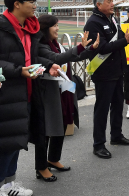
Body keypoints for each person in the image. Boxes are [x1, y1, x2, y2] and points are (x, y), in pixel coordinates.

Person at [0, 0, 60, 196]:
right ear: (17, 4)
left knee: (17, 141)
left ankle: (9, 185)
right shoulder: (2, 27)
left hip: (27, 92)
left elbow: (35, 56)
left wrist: (48, 65)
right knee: (6, 143)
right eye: (32, 2)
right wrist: (18, 71)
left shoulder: (30, 28)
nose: (36, 6)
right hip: (7, 94)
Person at [84, 0, 129, 159]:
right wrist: (125, 40)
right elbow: (102, 48)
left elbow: (120, 41)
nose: (113, 4)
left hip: (118, 70)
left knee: (118, 104)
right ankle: (98, 144)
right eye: (109, 1)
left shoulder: (112, 18)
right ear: (99, 4)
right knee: (102, 109)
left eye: (113, 0)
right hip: (104, 72)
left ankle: (116, 136)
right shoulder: (93, 23)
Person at [35, 15, 99, 182]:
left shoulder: (56, 44)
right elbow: (56, 59)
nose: (57, 29)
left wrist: (90, 49)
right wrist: (80, 46)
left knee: (63, 122)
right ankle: (41, 167)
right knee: (46, 130)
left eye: (57, 25)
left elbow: (72, 57)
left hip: (62, 89)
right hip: (48, 91)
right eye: (54, 26)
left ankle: (53, 159)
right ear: (45, 28)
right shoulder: (40, 45)